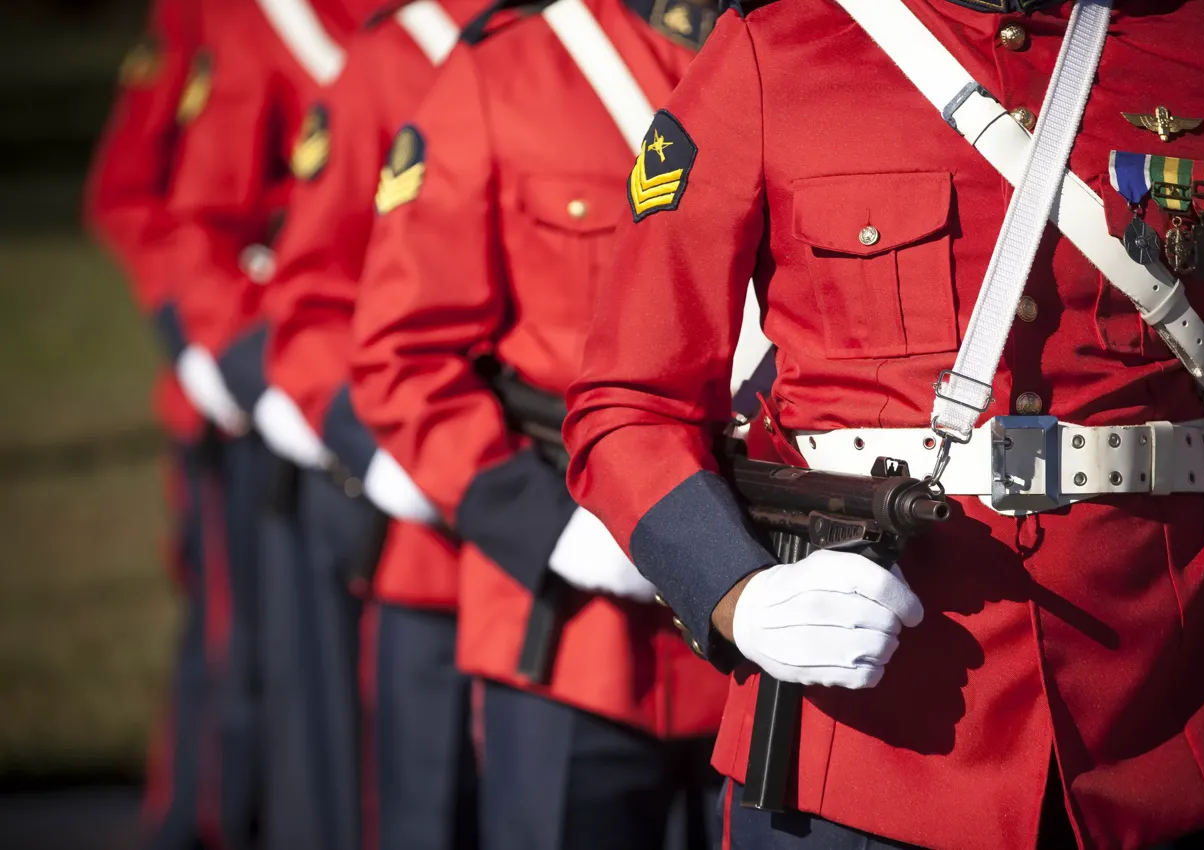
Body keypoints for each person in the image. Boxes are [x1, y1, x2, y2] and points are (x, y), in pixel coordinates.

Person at [562, 0, 1204, 848]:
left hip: (1150, 739)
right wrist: (738, 593)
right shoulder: (778, 48)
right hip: (859, 746)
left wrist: (1157, 524)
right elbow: (630, 402)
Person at [347, 0, 769, 845]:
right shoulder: (513, 67)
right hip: (576, 638)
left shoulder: (821, 57)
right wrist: (548, 529)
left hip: (779, 631)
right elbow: (404, 355)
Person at [257, 1, 488, 847]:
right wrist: (382, 446)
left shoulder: (685, 39)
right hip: (445, 536)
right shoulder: (399, 56)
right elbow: (312, 301)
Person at [160, 1, 360, 847]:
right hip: (294, 394)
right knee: (265, 674)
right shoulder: (262, 22)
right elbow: (195, 222)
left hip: (413, 394)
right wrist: (246, 368)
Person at [84, 3, 227, 848]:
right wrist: (202, 341)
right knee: (226, 636)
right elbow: (126, 194)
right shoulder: (209, 20)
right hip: (232, 382)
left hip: (350, 396)